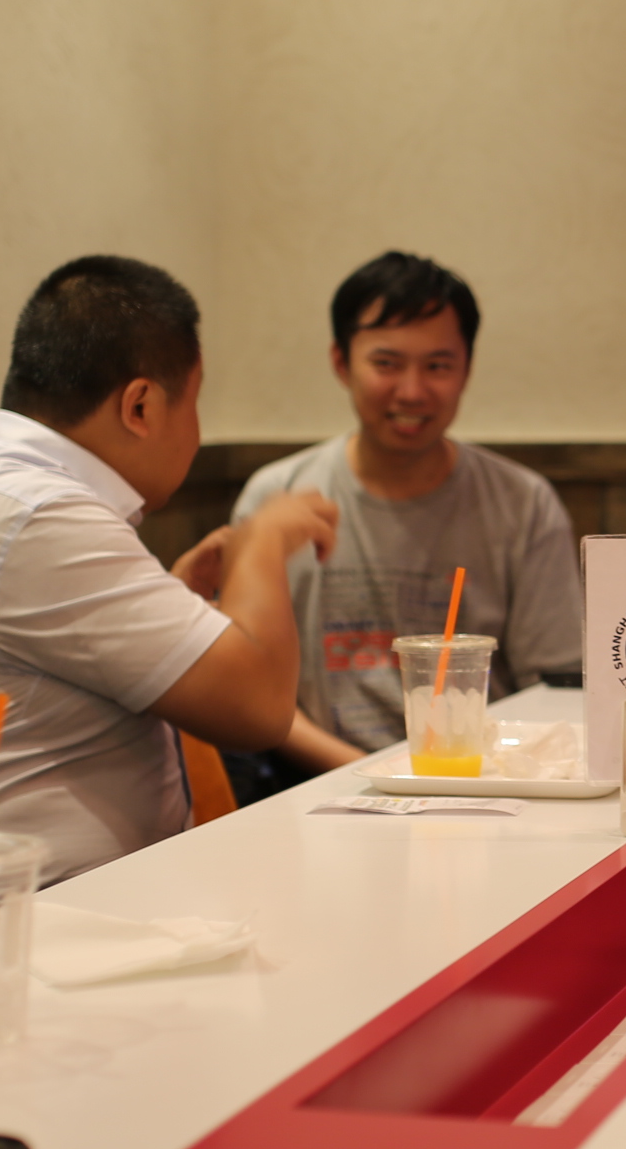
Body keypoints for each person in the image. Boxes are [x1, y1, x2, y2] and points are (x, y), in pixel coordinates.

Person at [0, 256, 337, 939]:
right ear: (141, 406)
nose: (197, 430)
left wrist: (175, 602)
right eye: (194, 402)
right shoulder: (34, 515)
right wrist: (264, 539)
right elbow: (260, 708)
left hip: (16, 920)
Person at [227, 251, 583, 784]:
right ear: (341, 363)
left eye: (437, 366)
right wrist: (376, 775)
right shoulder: (276, 498)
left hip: (485, 787)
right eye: (387, 364)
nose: (412, 391)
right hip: (318, 789)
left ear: (466, 369)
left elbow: (554, 689)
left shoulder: (523, 504)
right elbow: (249, 689)